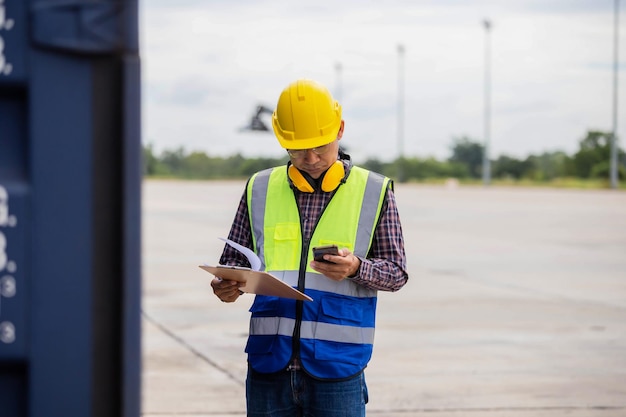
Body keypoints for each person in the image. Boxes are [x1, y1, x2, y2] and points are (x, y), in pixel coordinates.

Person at [211, 78, 408, 417]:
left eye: (320, 146)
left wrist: (358, 267)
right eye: (298, 148)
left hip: (338, 366)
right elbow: (232, 262)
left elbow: (396, 274)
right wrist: (225, 287)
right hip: (269, 363)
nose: (311, 158)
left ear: (340, 129)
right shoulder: (259, 188)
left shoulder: (373, 191)